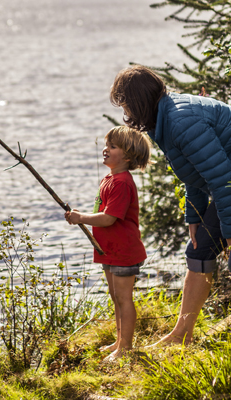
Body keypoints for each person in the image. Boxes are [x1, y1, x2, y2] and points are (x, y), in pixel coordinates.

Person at [110, 65, 231, 346]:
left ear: (138, 102)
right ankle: (181, 335)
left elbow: (222, 181)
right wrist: (193, 216)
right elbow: (195, 172)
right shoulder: (165, 118)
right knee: (200, 248)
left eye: (125, 104)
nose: (126, 113)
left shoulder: (181, 121)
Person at [65, 125, 151, 360]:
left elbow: (109, 218)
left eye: (113, 147)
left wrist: (80, 218)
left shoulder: (122, 182)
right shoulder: (109, 179)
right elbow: (102, 211)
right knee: (116, 297)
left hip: (123, 250)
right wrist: (82, 216)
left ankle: (126, 348)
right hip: (109, 250)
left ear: (128, 155)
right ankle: (120, 341)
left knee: (124, 298)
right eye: (106, 145)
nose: (105, 149)